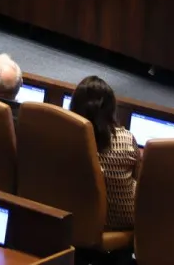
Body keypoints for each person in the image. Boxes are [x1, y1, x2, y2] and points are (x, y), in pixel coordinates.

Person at [68, 75, 137, 230]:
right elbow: (137, 175)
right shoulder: (126, 141)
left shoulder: (63, 134)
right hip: (118, 223)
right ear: (111, 108)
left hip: (71, 217)